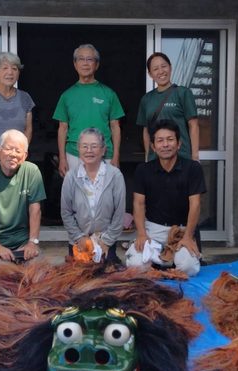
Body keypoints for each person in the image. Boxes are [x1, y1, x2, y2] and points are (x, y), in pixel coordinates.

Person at [125, 119, 206, 276]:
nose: (165, 144)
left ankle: (167, 261)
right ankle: (158, 262)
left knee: (188, 268)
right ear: (154, 147)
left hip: (181, 230)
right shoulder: (143, 170)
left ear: (179, 144)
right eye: (160, 141)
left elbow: (195, 205)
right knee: (134, 265)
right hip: (153, 230)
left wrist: (189, 236)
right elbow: (139, 204)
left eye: (170, 139)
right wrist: (142, 234)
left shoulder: (193, 169)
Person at [0, 129, 46, 268]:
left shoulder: (32, 171)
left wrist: (32, 242)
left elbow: (35, 209)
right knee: (1, 274)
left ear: (25, 156)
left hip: (22, 240)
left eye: (18, 151)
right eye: (8, 149)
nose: (13, 154)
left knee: (40, 271)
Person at [53, 44, 125, 177]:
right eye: (81, 59)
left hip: (105, 154)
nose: (85, 63)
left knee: (104, 196)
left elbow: (115, 127)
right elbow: (62, 128)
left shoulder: (109, 94)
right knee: (75, 196)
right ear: (75, 64)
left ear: (96, 65)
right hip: (74, 155)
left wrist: (116, 156)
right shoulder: (66, 95)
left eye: (90, 59)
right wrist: (62, 158)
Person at [60, 128, 126, 264]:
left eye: (94, 146)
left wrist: (106, 242)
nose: (89, 150)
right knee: (78, 280)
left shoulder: (115, 175)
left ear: (103, 150)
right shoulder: (71, 177)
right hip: (79, 242)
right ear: (78, 149)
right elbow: (66, 213)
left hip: (105, 241)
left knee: (106, 279)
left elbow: (119, 214)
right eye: (84, 146)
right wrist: (79, 237)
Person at [136, 52, 200, 162]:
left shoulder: (183, 93)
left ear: (170, 68)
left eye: (164, 66)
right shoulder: (146, 99)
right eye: (155, 69)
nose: (161, 71)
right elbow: (146, 130)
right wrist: (148, 157)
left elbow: (193, 125)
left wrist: (195, 156)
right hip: (155, 159)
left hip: (181, 157)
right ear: (150, 74)